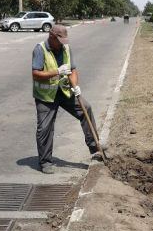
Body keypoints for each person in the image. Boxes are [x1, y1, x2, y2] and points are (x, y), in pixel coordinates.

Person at [32, 24, 102, 173]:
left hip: (64, 91)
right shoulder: (40, 49)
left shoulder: (66, 48)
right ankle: (45, 162)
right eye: (60, 40)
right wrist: (56, 71)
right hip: (46, 96)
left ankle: (94, 146)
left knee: (86, 108)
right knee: (45, 128)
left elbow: (73, 69)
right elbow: (36, 73)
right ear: (51, 37)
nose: (63, 43)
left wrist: (75, 85)